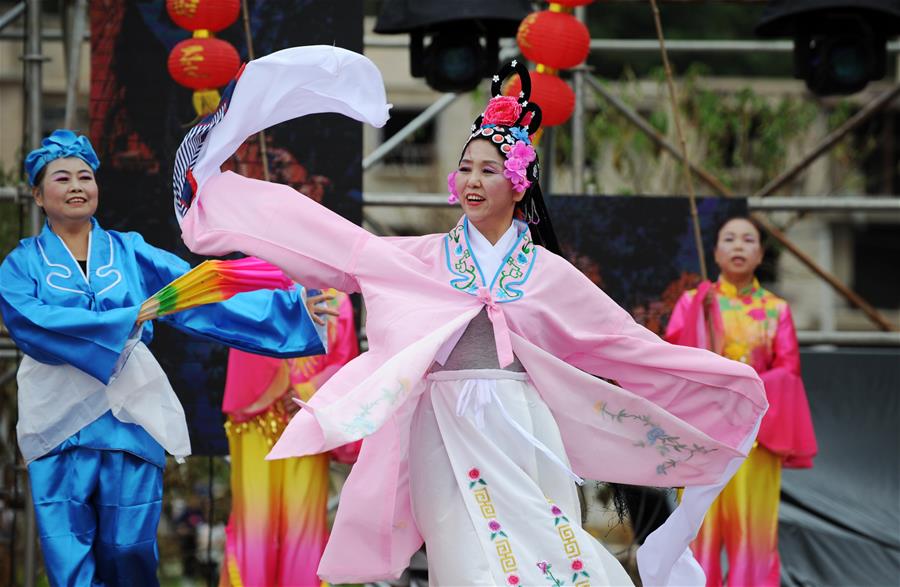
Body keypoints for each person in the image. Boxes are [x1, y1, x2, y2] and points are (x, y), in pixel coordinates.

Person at [173, 46, 768, 586]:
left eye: (489, 169)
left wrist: (727, 384)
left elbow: (628, 345)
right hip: (444, 427)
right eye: (466, 168)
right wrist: (215, 196)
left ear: (519, 184)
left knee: (556, 555)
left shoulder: (549, 273)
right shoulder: (419, 259)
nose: (473, 180)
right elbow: (322, 238)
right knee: (466, 565)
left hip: (524, 426)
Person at [0, 129, 333, 586]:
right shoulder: (21, 265)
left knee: (130, 549)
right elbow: (32, 322)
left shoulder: (129, 252)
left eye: (85, 177)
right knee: (67, 555)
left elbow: (199, 292)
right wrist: (127, 318)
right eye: (62, 178)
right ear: (38, 195)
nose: (77, 186)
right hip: (58, 419)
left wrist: (291, 310)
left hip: (129, 412)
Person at [665, 216, 817, 587]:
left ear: (760, 254)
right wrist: (700, 330)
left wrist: (744, 388)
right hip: (705, 436)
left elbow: (789, 371)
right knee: (699, 528)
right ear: (716, 252)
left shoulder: (776, 309)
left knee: (755, 531)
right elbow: (673, 359)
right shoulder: (693, 303)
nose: (738, 245)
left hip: (756, 437)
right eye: (729, 238)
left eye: (748, 239)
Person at [220, 289, 360, 586]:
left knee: (303, 522)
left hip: (307, 421)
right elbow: (236, 324)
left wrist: (308, 390)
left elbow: (346, 363)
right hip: (255, 420)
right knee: (255, 520)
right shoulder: (256, 282)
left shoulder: (336, 298)